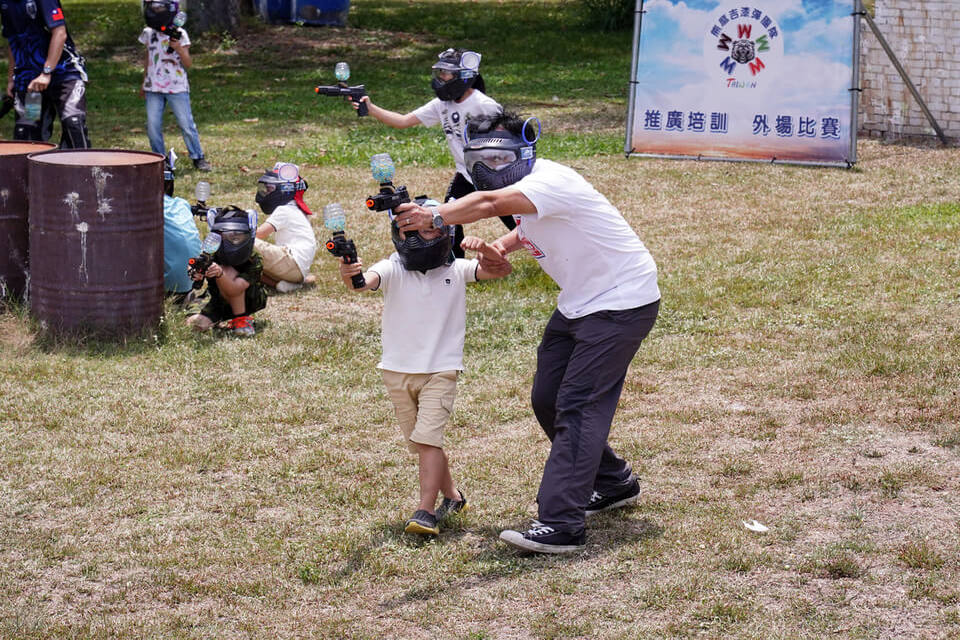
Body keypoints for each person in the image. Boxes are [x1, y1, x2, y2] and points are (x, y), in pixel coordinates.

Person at [395, 112, 661, 554]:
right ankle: (613, 482)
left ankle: (561, 523)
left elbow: (487, 204)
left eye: (502, 157)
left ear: (526, 149)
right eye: (481, 159)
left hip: (621, 302)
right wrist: (499, 247)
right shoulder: (534, 192)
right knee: (548, 399)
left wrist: (435, 215)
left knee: (577, 406)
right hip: (581, 301)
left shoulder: (551, 179)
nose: (492, 167)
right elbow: (526, 225)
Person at [337, 205, 511, 536]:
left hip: (441, 370)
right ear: (398, 235)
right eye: (411, 231)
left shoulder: (458, 270)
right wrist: (352, 273)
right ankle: (454, 497)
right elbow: (363, 284)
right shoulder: (391, 268)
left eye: (430, 229)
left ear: (445, 232)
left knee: (428, 439)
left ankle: (425, 511)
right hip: (396, 371)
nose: (421, 237)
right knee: (421, 443)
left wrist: (486, 249)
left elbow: (500, 270)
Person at [353, 47, 514, 257]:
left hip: (496, 176)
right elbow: (403, 121)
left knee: (517, 219)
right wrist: (371, 108)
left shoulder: (484, 105)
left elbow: (511, 141)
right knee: (447, 217)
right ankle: (455, 264)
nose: (442, 78)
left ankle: (542, 244)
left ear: (464, 77)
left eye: (447, 74)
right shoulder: (442, 104)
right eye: (440, 73)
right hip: (466, 175)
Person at [2, 0, 91, 147]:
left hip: (64, 72)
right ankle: (31, 169)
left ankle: (82, 167)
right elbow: (14, 40)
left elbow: (60, 33)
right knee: (27, 131)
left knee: (73, 125)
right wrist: (12, 78)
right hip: (31, 81)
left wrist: (46, 72)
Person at [138, 0, 211, 171]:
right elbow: (148, 57)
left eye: (159, 7)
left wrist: (178, 48)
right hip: (153, 87)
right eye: (153, 8)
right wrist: (144, 81)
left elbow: (188, 63)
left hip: (176, 86)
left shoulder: (180, 34)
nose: (155, 10)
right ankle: (160, 160)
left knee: (186, 124)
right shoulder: (148, 33)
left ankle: (197, 156)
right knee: (153, 126)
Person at [186, 208, 267, 337]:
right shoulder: (211, 251)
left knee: (227, 271)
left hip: (249, 300)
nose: (230, 241)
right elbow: (196, 264)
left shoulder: (254, 258)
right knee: (195, 324)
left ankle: (241, 320)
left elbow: (236, 289)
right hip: (216, 298)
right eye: (223, 236)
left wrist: (220, 274)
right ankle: (217, 317)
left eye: (236, 236)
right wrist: (196, 272)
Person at [253, 162, 318, 293]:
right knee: (247, 261)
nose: (265, 192)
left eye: (270, 188)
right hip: (297, 270)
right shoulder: (295, 209)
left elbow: (258, 234)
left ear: (284, 190)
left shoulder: (284, 209)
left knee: (241, 243)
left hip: (291, 263)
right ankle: (282, 285)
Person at [161, 150, 201, 303]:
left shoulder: (147, 208)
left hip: (167, 286)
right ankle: (183, 296)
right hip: (190, 281)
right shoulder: (182, 203)